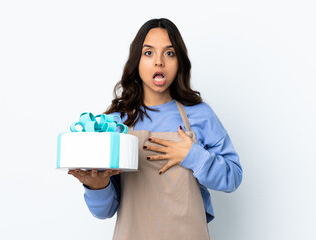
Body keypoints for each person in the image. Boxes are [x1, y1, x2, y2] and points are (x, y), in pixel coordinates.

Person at [68, 18, 242, 239]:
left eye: (169, 53)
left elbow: (233, 177)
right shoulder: (114, 122)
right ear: (136, 61)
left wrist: (192, 156)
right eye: (149, 53)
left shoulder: (200, 114)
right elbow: (104, 212)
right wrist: (97, 186)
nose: (159, 61)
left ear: (179, 61)